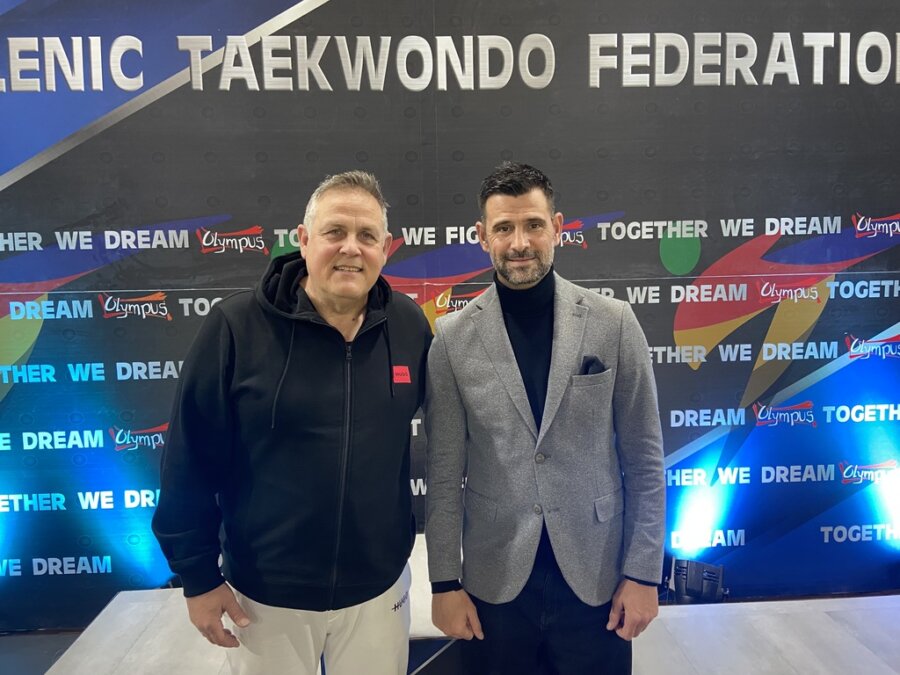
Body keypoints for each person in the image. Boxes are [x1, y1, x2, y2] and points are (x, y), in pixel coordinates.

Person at [152, 170, 432, 675]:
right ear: (303, 240)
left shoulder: (409, 325)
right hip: (266, 597)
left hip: (378, 591)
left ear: (387, 247)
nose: (351, 248)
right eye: (334, 232)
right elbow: (188, 463)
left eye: (367, 235)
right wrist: (197, 577)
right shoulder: (235, 327)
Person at [425, 162, 665, 674]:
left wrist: (644, 573)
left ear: (557, 227)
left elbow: (645, 459)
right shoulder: (451, 339)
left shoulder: (614, 323)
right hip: (494, 584)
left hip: (597, 579)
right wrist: (444, 583)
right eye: (504, 228)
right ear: (481, 236)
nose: (520, 243)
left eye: (533, 225)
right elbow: (443, 475)